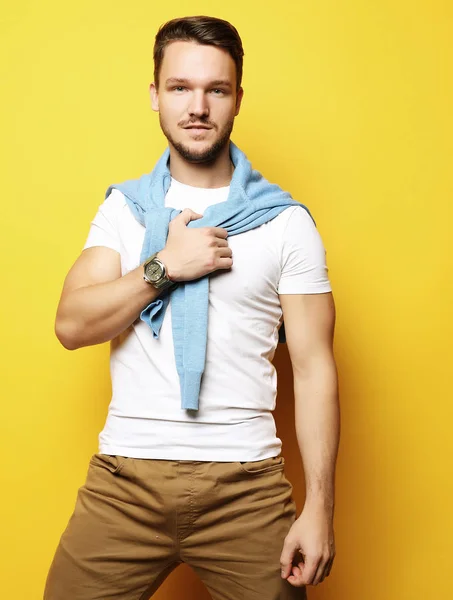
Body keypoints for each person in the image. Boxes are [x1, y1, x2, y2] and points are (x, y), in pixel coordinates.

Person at [44, 15, 340, 600]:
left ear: (236, 100)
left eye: (216, 90)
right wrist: (164, 268)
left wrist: (321, 509)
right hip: (123, 482)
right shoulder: (124, 211)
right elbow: (71, 325)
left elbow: (314, 370)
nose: (197, 106)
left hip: (247, 489)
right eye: (180, 88)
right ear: (155, 96)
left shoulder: (286, 222)